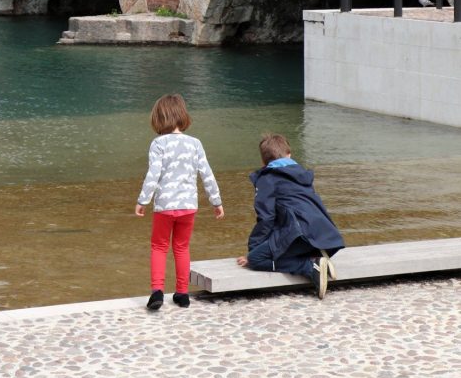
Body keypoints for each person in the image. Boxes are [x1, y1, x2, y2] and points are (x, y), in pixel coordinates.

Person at [136, 93, 224, 311]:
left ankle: (157, 291)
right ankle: (182, 293)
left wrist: (143, 200)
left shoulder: (158, 144)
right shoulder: (195, 143)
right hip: (188, 206)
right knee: (182, 247)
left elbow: (153, 174)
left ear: (159, 118)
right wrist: (216, 201)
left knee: (159, 246)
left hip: (165, 207)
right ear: (182, 116)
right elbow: (207, 174)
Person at [236, 132, 344, 299]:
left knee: (257, 260)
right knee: (283, 241)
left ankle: (310, 267)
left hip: (299, 234)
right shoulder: (302, 174)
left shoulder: (267, 179)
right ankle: (317, 256)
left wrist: (253, 252)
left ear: (263, 162)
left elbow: (266, 218)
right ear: (289, 154)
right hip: (323, 234)